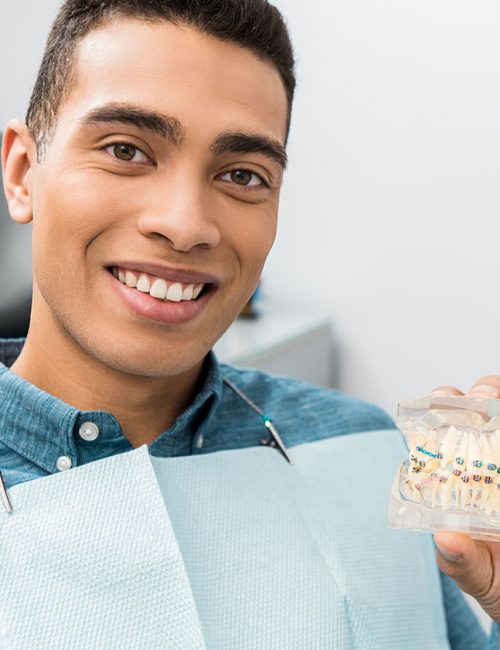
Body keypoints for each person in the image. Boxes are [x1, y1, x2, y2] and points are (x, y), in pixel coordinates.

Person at [0, 0, 498, 647]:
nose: (184, 224)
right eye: (126, 149)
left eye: (241, 175)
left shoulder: (371, 452)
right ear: (21, 174)